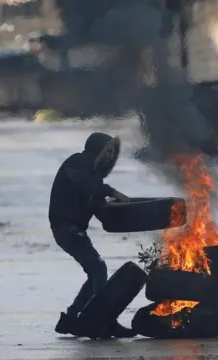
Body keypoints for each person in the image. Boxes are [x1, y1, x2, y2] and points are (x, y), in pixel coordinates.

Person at [49, 132, 134, 337]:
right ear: (96, 149)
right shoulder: (75, 163)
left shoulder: (95, 177)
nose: (110, 155)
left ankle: (72, 318)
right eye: (107, 150)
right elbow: (85, 185)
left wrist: (131, 215)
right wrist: (113, 192)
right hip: (65, 228)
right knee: (98, 270)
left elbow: (100, 210)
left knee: (96, 271)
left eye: (112, 152)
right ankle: (103, 320)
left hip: (76, 230)